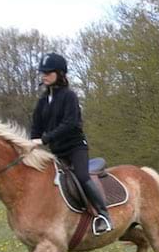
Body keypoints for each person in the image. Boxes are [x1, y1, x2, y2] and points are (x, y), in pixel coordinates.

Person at [30, 52, 112, 235]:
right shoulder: (42, 102)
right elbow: (36, 128)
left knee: (82, 177)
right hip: (56, 152)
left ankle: (103, 215)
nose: (44, 75)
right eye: (42, 72)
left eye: (48, 72)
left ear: (59, 73)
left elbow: (70, 124)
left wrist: (43, 140)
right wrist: (28, 145)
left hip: (75, 148)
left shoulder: (69, 96)